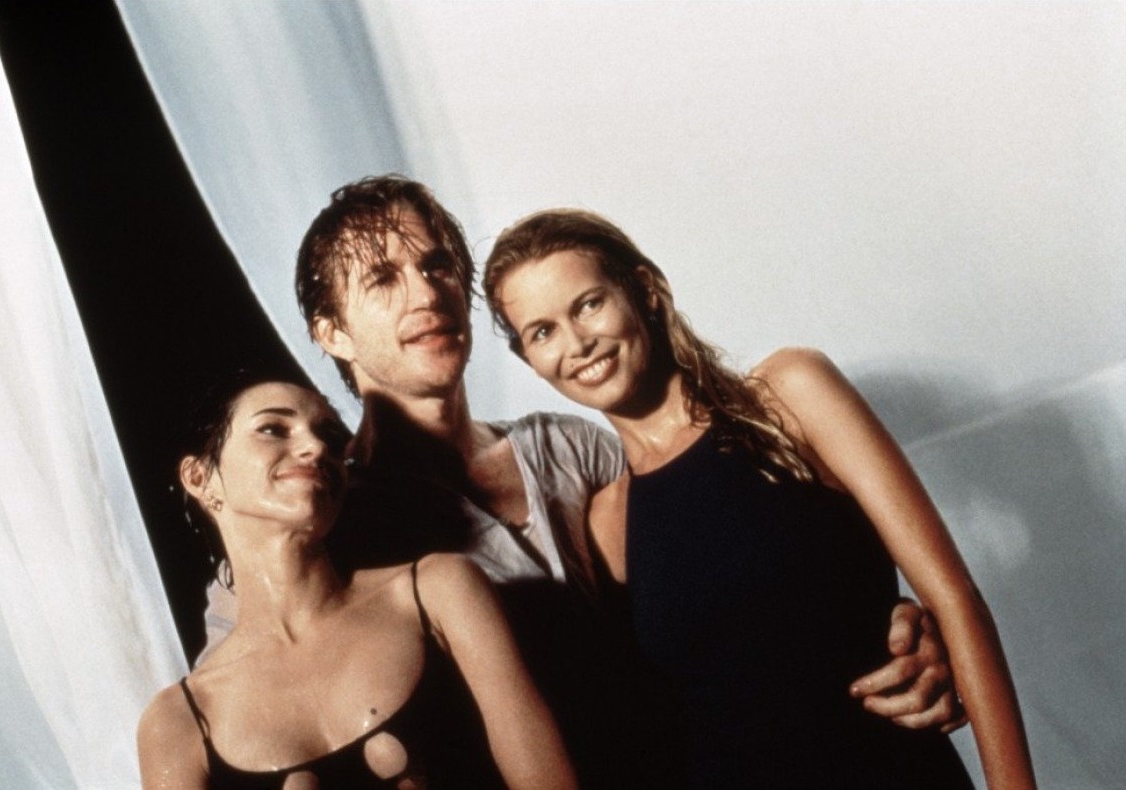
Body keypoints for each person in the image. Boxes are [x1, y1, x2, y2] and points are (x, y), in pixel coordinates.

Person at [206, 175, 967, 785]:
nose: (425, 293)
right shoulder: (323, 525)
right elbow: (244, 700)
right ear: (331, 332)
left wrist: (890, 624)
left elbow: (733, 580)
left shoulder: (575, 449)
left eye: (438, 265)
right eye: (382, 279)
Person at [482, 208, 1036, 790]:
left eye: (589, 304)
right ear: (529, 361)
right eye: (542, 332)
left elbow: (954, 598)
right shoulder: (605, 524)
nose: (577, 343)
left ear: (645, 289)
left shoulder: (788, 396)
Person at [137, 374, 576, 789]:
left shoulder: (438, 592)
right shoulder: (177, 723)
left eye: (329, 436)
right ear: (200, 478)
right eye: (273, 429)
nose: (315, 447)